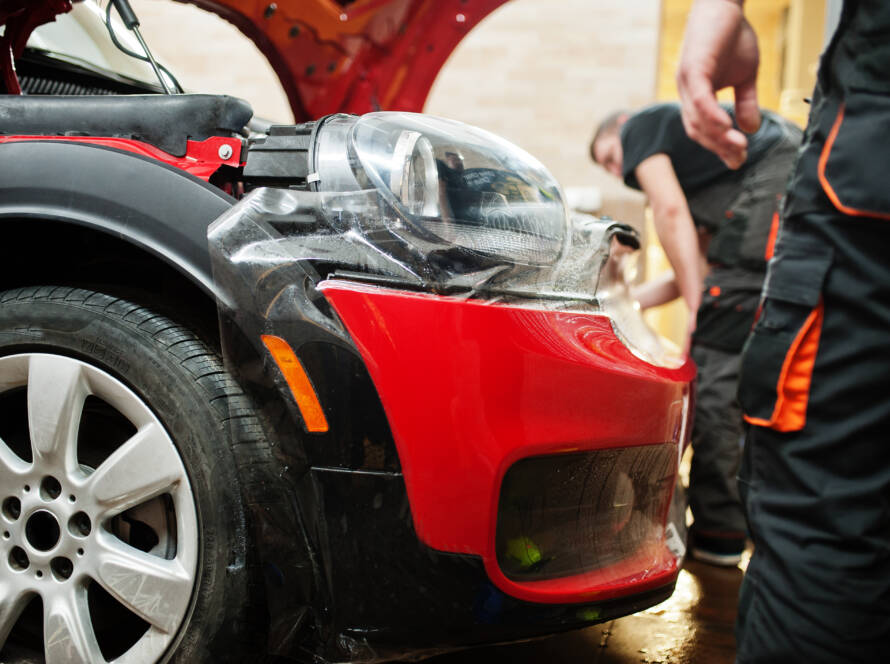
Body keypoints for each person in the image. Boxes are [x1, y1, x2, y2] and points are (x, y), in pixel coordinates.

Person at [676, 1, 890, 661]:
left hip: (866, 197)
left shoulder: (644, 139)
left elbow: (669, 216)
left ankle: (713, 541)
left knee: (827, 518)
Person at [590, 102, 801, 566]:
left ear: (621, 129)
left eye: (609, 157)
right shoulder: (713, 183)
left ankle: (720, 533)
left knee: (714, 373)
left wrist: (696, 310)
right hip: (775, 193)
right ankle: (734, 524)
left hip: (780, 167)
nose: (619, 171)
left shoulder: (641, 127)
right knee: (736, 366)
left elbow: (668, 212)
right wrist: (620, 304)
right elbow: (699, 271)